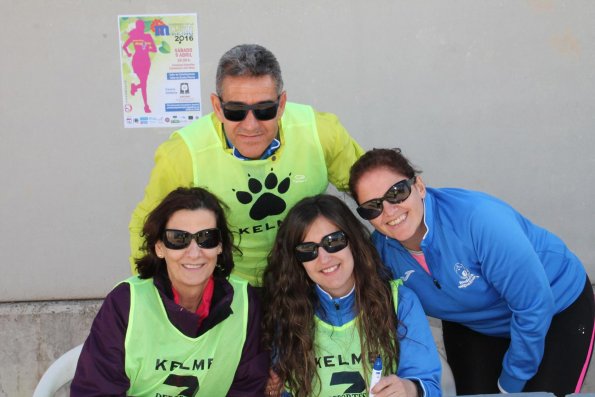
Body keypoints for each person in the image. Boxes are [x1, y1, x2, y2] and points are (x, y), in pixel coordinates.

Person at [349, 147, 595, 397]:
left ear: (419, 186)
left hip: (555, 309)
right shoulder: (380, 253)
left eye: (397, 192)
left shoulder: (480, 221)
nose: (389, 210)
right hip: (474, 324)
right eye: (372, 207)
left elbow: (534, 305)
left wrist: (510, 383)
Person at [129, 44, 364, 286]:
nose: (251, 125)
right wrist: (150, 290)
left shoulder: (320, 132)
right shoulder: (183, 153)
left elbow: (372, 190)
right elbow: (146, 224)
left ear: (281, 104)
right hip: (226, 282)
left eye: (264, 110)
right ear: (218, 107)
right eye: (235, 111)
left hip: (306, 275)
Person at [72, 187, 269, 396]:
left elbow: (248, 389)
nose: (194, 252)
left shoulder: (245, 302)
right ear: (159, 247)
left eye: (206, 238)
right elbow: (94, 390)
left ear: (220, 246)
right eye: (178, 238)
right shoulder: (126, 302)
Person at [262, 194, 442, 397]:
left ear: (353, 241)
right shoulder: (286, 310)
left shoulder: (399, 301)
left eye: (333, 241)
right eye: (307, 250)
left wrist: (409, 389)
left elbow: (430, 387)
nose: (324, 258)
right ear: (297, 261)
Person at [121, 19, 156, 113]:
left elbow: (154, 49)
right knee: (144, 83)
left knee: (144, 83)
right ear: (138, 27)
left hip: (145, 61)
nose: (141, 28)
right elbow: (124, 46)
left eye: (141, 27)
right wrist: (128, 53)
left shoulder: (147, 36)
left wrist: (147, 48)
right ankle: (146, 106)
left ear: (143, 28)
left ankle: (135, 87)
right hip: (137, 61)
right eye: (139, 27)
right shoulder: (134, 36)